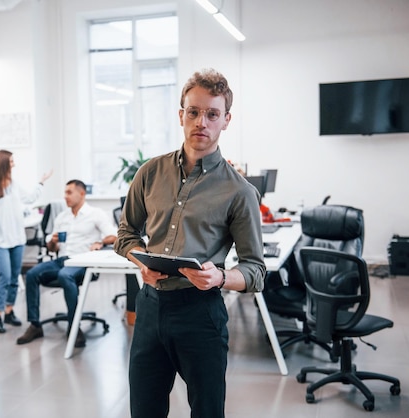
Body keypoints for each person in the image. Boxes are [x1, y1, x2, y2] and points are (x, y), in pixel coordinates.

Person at [114, 68, 266, 418]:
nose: (202, 121)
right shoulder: (149, 173)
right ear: (181, 114)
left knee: (207, 411)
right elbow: (126, 234)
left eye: (212, 114)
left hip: (200, 314)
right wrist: (142, 263)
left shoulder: (239, 192)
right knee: (144, 410)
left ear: (226, 120)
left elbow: (256, 269)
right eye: (194, 112)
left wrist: (221, 277)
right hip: (150, 307)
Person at [16, 179, 117, 348]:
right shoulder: (62, 217)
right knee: (32, 274)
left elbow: (113, 235)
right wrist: (53, 242)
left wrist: (100, 242)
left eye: (69, 192)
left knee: (65, 275)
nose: (65, 197)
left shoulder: (95, 214)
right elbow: (52, 247)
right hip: (62, 259)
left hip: (83, 261)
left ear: (82, 194)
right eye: (64, 193)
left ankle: (74, 326)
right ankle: (35, 325)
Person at [0, 149, 53, 334]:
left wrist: (41, 182)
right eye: (11, 161)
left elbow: (29, 198)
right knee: (4, 277)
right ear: (4, 163)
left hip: (17, 239)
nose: (14, 164)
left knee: (14, 277)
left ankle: (9, 310)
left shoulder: (13, 184)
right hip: (0, 241)